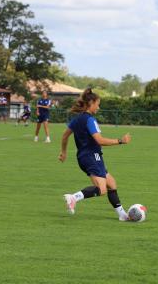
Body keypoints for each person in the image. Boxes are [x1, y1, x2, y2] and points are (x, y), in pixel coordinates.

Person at [58, 88, 131, 221]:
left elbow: (64, 136)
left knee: (111, 184)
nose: (99, 106)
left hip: (85, 157)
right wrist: (121, 141)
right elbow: (100, 140)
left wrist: (63, 153)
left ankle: (122, 215)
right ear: (91, 103)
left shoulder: (77, 119)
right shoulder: (89, 120)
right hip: (91, 156)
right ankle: (74, 197)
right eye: (97, 103)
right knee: (101, 189)